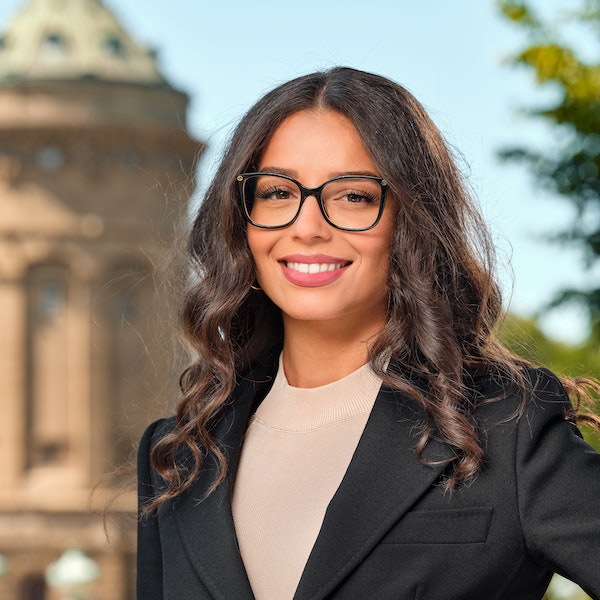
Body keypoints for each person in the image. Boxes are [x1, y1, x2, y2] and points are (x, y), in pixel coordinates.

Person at [136, 67, 600, 600]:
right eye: (277, 192)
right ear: (241, 219)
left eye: (354, 196)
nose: (307, 226)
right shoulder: (180, 455)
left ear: (412, 221)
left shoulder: (504, 425)